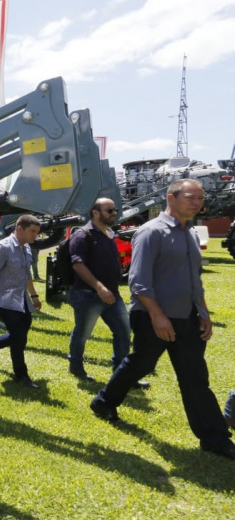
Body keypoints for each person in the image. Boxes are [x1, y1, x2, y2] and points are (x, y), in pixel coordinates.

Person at [90, 180, 235, 459]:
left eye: (200, 199)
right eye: (191, 197)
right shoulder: (150, 232)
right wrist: (158, 316)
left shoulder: (191, 234)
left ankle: (215, 438)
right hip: (151, 316)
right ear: (171, 197)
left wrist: (203, 314)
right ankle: (104, 401)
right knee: (141, 363)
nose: (197, 203)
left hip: (187, 318)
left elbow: (195, 281)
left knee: (195, 378)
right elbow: (138, 281)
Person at [66, 198, 148, 388]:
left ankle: (122, 373)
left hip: (112, 294)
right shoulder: (82, 234)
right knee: (83, 333)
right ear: (95, 212)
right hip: (88, 294)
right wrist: (99, 287)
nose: (114, 213)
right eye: (109, 210)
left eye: (115, 210)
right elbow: (78, 265)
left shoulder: (109, 234)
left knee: (123, 331)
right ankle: (76, 366)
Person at [0, 215, 43, 388]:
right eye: (33, 231)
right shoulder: (3, 247)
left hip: (22, 300)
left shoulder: (25, 248)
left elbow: (27, 276)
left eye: (37, 232)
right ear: (20, 229)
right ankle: (21, 376)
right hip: (4, 301)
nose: (36, 235)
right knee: (19, 338)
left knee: (21, 332)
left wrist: (34, 296)